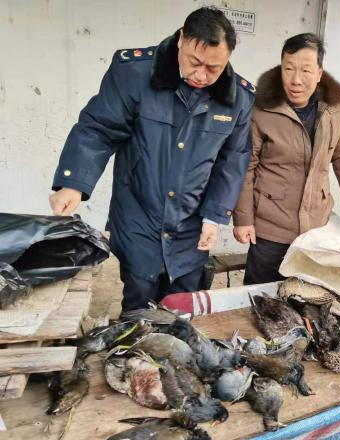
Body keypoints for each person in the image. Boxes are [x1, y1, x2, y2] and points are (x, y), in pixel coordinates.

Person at [49, 7, 255, 311]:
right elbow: (99, 128)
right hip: (138, 211)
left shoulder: (238, 98)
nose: (202, 75)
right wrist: (74, 184)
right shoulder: (134, 73)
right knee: (139, 301)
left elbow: (233, 161)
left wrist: (214, 216)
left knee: (183, 306)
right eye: (195, 62)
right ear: (182, 40)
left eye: (214, 68)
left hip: (191, 222)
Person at [232, 33, 340, 285]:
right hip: (271, 225)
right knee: (261, 295)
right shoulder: (261, 109)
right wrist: (243, 219)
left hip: (316, 225)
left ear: (319, 73)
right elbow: (245, 167)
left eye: (305, 70)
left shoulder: (333, 108)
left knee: (308, 294)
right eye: (288, 69)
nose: (295, 80)